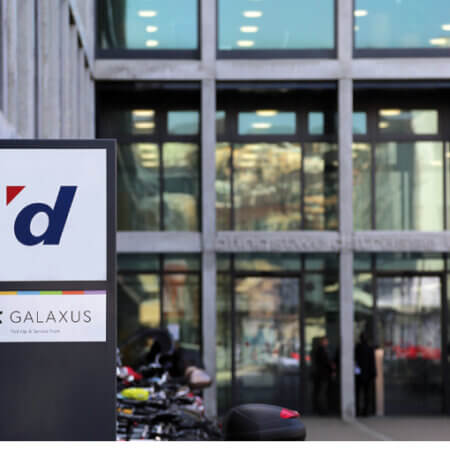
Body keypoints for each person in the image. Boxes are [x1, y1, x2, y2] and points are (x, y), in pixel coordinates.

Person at [355, 332, 376, 416]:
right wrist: (373, 373)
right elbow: (372, 363)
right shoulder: (369, 348)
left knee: (358, 394)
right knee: (367, 394)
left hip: (360, 374)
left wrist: (357, 373)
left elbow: (356, 362)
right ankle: (366, 411)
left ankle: (358, 410)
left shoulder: (357, 348)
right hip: (367, 375)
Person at [312, 336, 334, 415]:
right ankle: (322, 410)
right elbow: (325, 362)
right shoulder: (321, 350)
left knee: (321, 392)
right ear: (322, 342)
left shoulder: (321, 350)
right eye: (326, 341)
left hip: (322, 375)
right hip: (322, 375)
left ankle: (322, 409)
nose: (327, 343)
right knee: (322, 392)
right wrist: (331, 367)